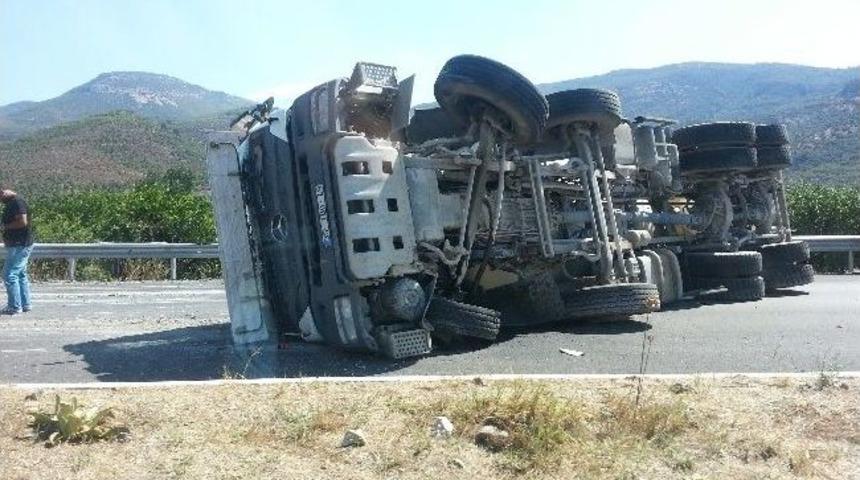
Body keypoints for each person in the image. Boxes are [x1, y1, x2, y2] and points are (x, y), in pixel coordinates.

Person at [1, 188, 34, 315]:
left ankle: (14, 306)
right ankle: (25, 304)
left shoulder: (17, 202)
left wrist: (4, 227)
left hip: (20, 244)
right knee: (20, 274)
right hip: (18, 244)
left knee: (9, 275)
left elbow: (22, 222)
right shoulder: (12, 203)